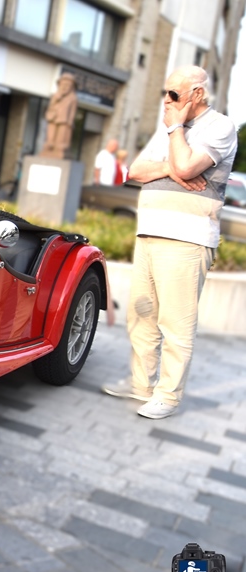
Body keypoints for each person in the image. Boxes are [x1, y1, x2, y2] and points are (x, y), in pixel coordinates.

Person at [101, 65, 237, 419]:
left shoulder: (219, 126)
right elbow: (135, 171)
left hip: (187, 239)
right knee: (142, 315)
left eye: (174, 94)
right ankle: (141, 385)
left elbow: (189, 167)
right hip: (150, 232)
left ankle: (168, 396)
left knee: (176, 323)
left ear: (197, 94)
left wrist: (176, 134)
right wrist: (169, 166)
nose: (167, 100)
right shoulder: (169, 127)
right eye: (166, 93)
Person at [40, 74, 77, 159]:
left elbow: (72, 111)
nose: (65, 87)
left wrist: (70, 121)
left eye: (68, 85)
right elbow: (50, 106)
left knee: (62, 134)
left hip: (64, 120)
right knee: (51, 133)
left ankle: (60, 146)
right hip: (53, 118)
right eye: (63, 85)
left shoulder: (73, 98)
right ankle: (50, 144)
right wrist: (56, 99)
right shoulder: (55, 95)